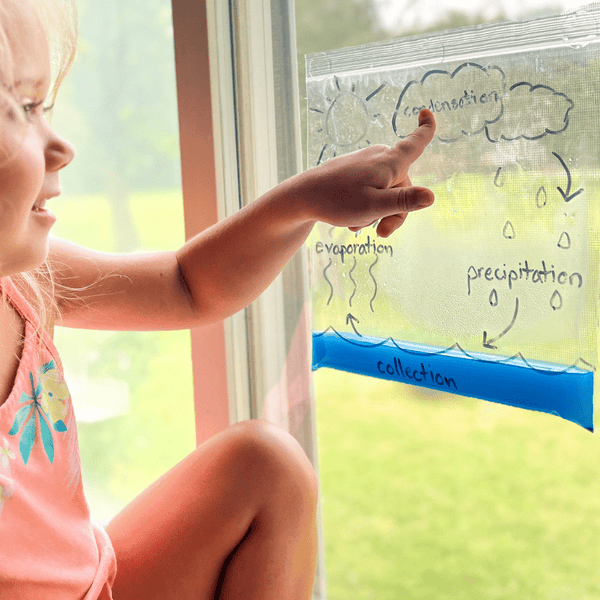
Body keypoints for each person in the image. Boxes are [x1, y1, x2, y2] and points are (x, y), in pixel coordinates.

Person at [0, 0, 437, 598]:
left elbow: (187, 284)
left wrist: (303, 200)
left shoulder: (28, 281)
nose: (61, 146)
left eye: (44, 106)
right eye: (22, 110)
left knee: (267, 465)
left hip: (91, 583)